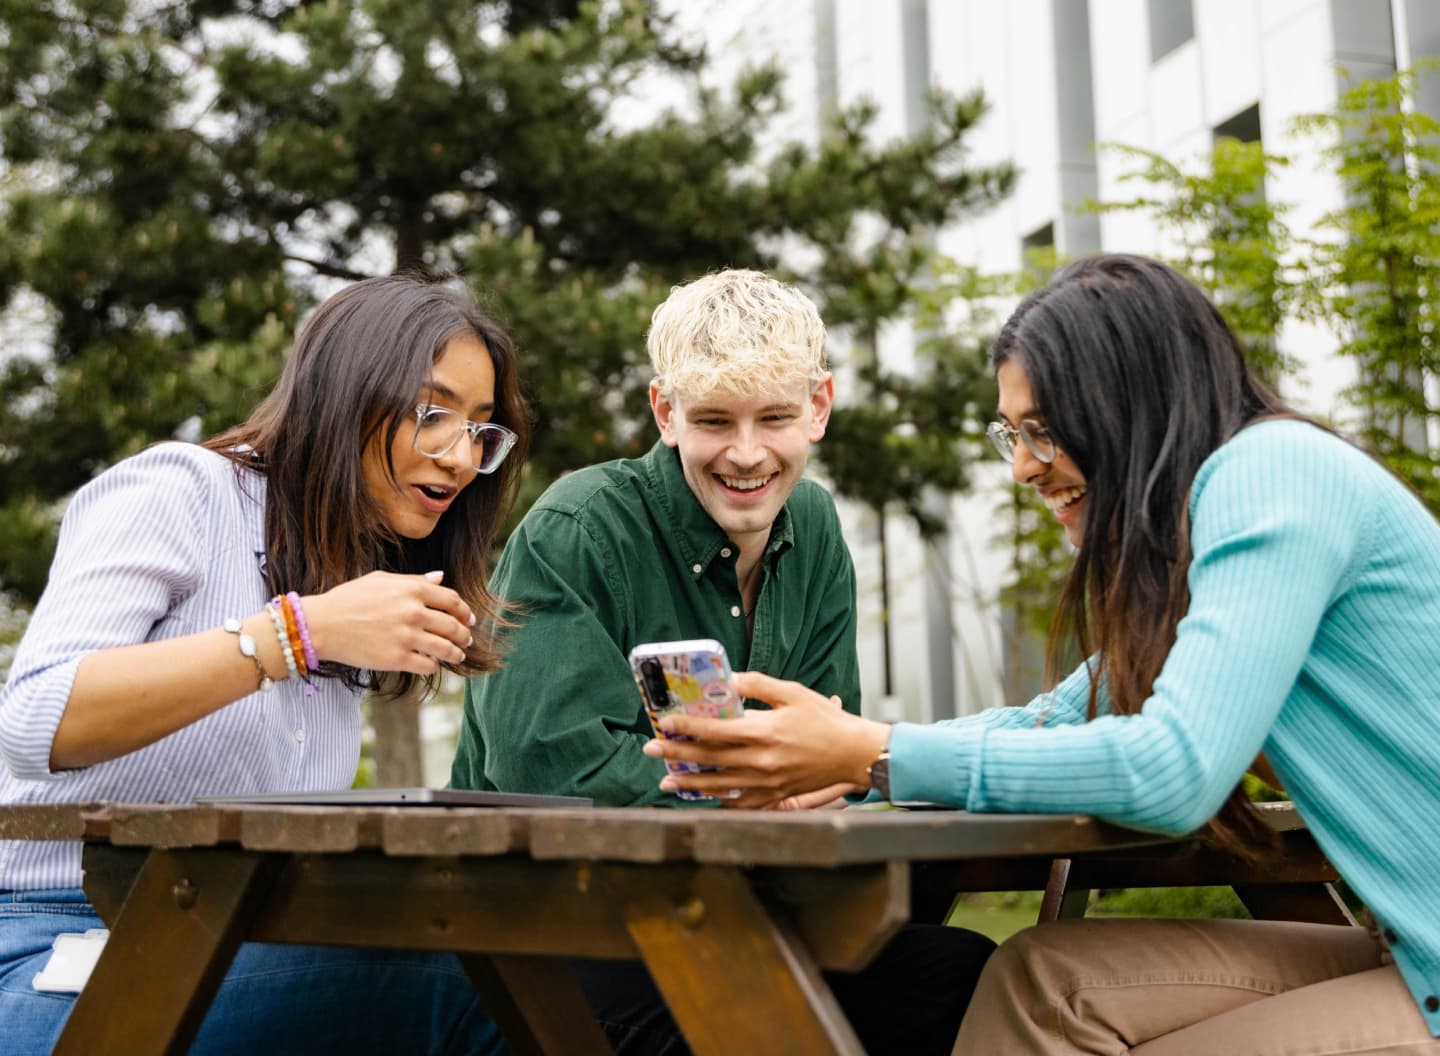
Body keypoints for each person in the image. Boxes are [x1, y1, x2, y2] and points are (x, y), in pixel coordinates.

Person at [645, 253, 1440, 1054]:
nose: (1024, 465)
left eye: (1043, 431)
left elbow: (1173, 771)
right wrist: (843, 753)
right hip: (1410, 952)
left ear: (1130, 407)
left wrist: (874, 754)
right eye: (1013, 434)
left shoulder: (1273, 478)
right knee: (1040, 986)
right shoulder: (1202, 547)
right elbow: (1048, 722)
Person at [451, 268, 995, 1054]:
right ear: (665, 412)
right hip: (565, 940)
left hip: (750, 916)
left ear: (819, 406)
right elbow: (555, 779)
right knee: (770, 1028)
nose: (746, 455)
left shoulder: (813, 523)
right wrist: (761, 797)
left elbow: (825, 750)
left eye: (774, 417)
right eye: (714, 420)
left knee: (966, 977)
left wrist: (819, 776)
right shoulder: (575, 528)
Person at [0, 274, 530, 1055]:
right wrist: (294, 635)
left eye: (481, 430)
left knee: (543, 970)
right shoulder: (182, 491)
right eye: (433, 414)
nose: (460, 457)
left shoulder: (338, 564)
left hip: (232, 943)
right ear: (346, 392)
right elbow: (35, 720)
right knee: (472, 987)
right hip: (56, 948)